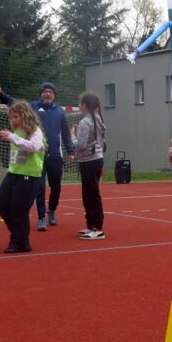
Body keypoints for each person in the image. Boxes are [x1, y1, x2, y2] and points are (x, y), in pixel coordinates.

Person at [0, 82, 74, 231]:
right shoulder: (33, 107)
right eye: (45, 91)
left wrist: (71, 151)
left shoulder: (60, 112)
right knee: (39, 187)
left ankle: (52, 210)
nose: (48, 94)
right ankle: (41, 217)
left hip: (55, 155)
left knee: (56, 187)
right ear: (41, 94)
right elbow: (17, 104)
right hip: (37, 156)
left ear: (54, 95)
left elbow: (66, 133)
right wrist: (2, 95)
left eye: (51, 92)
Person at [0, 101, 44, 253]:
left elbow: (33, 147)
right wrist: (13, 136)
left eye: (16, 117)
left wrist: (11, 137)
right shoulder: (16, 131)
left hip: (29, 175)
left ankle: (20, 242)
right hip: (14, 172)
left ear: (25, 116)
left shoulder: (36, 131)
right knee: (0, 201)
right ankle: (19, 235)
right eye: (11, 117)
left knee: (19, 209)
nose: (13, 120)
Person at [75, 91, 107, 239]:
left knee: (90, 194)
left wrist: (72, 136)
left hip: (89, 160)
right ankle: (91, 225)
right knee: (90, 193)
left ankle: (97, 227)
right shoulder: (99, 119)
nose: (79, 106)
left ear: (85, 105)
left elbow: (81, 145)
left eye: (80, 104)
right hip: (96, 158)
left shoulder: (85, 122)